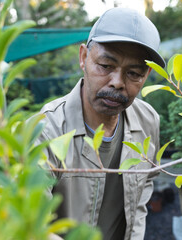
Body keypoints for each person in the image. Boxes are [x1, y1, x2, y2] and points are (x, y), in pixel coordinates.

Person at [37, 7, 166, 240]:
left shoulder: (148, 122)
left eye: (133, 73)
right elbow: (32, 225)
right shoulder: (46, 130)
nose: (117, 82)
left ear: (146, 75)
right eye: (105, 66)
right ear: (84, 57)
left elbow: (143, 191)